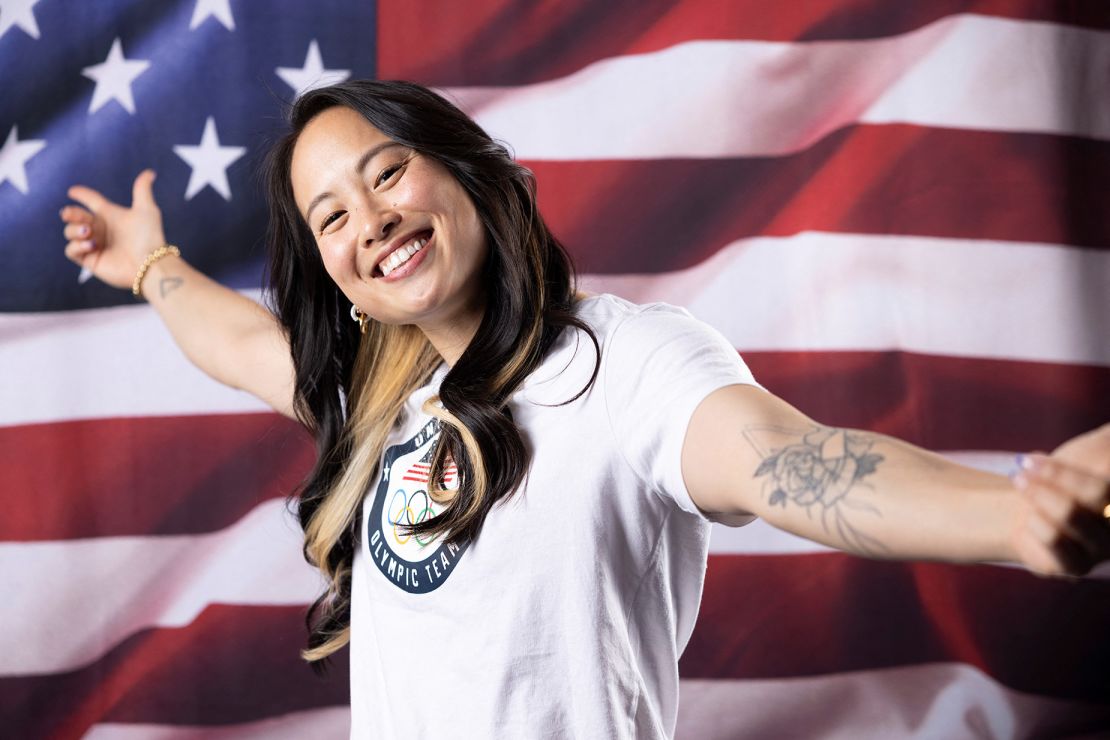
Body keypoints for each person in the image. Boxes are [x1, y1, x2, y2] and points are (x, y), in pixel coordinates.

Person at [59, 80, 1110, 739]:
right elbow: (241, 344)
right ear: (338, 274)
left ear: (476, 177)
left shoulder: (626, 364)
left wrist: (1009, 517)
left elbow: (796, 462)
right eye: (331, 215)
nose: (371, 220)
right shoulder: (389, 404)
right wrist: (149, 263)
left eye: (390, 174)